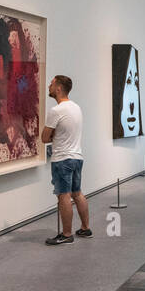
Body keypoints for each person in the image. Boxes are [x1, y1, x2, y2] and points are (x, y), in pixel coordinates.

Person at [41, 74, 91, 245]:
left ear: (59, 88)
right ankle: (85, 228)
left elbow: (44, 137)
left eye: (52, 84)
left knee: (64, 196)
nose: (49, 86)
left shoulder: (56, 111)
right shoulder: (76, 108)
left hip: (62, 159)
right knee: (77, 193)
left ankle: (67, 234)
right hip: (77, 157)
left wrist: (53, 133)